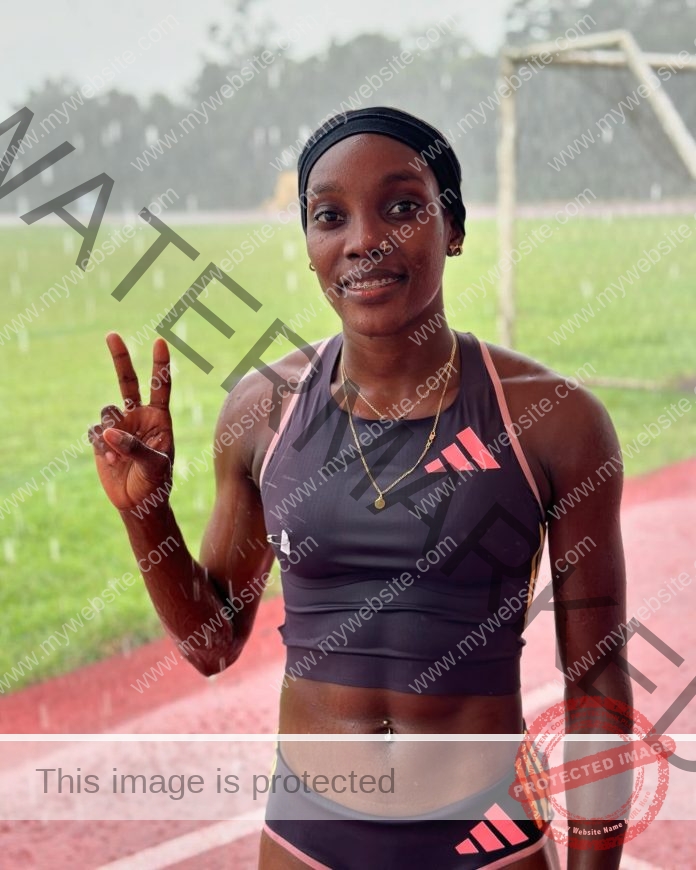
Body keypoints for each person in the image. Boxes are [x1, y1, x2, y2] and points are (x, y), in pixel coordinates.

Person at [90, 107, 632, 869]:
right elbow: (213, 645)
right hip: (307, 839)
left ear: (456, 228)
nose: (363, 240)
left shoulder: (555, 422)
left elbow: (598, 678)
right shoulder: (262, 412)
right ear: (310, 246)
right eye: (329, 216)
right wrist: (145, 511)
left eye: (404, 206)